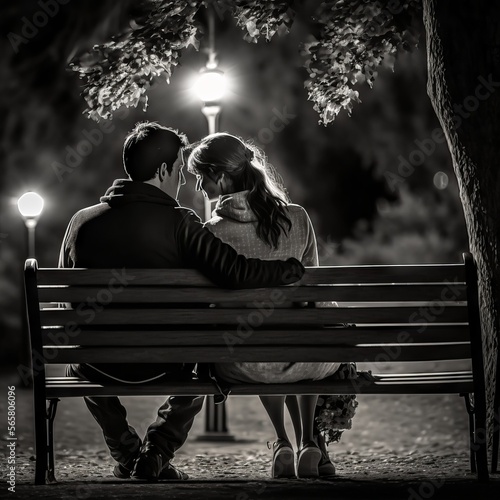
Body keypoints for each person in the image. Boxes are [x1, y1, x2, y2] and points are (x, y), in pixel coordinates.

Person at [58, 122, 305, 482]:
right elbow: (233, 272)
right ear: (162, 171)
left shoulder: (80, 222)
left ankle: (126, 452)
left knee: (76, 365)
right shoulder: (180, 223)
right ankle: (156, 452)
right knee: (205, 364)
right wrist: (285, 270)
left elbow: (65, 301)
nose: (183, 181)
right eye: (178, 170)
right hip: (166, 362)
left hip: (97, 363)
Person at [187, 132, 353, 479]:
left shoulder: (212, 232)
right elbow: (316, 294)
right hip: (312, 358)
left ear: (220, 177)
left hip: (247, 362)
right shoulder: (298, 217)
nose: (199, 186)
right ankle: (308, 441)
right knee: (300, 338)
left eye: (201, 177)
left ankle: (281, 441)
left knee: (260, 343)